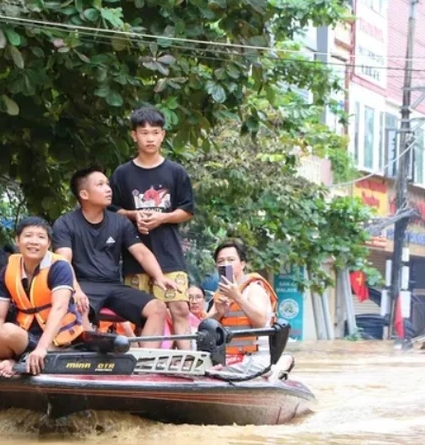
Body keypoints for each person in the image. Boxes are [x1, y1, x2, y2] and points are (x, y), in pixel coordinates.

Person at [53, 166, 175, 347]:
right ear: (84, 194)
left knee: (157, 308)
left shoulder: (120, 222)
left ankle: (145, 364)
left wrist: (158, 276)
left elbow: (141, 252)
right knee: (79, 305)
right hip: (83, 285)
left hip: (113, 285)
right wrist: (76, 290)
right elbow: (63, 261)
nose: (108, 189)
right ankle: (85, 360)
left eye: (107, 184)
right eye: (100, 184)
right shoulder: (65, 223)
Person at [111, 106, 195, 349]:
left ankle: (186, 362)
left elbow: (187, 210)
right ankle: (147, 367)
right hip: (134, 254)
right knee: (142, 312)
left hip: (169, 253)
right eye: (144, 132)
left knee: (179, 308)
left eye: (155, 132)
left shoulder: (176, 172)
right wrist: (133, 214)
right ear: (134, 135)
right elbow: (111, 209)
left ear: (163, 135)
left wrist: (162, 218)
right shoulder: (122, 173)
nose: (150, 138)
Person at [0, 216, 84, 385]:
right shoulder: (9, 270)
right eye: (28, 236)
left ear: (48, 243)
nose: (34, 241)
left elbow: (59, 308)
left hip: (55, 341)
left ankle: (18, 362)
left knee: (6, 331)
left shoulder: (60, 267)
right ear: (17, 241)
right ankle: (7, 365)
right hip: (24, 338)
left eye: (41, 237)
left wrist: (41, 349)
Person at [206, 240, 294, 380]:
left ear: (242, 264)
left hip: (254, 358)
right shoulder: (220, 293)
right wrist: (219, 312)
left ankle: (275, 369)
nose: (225, 264)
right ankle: (280, 365)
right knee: (204, 366)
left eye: (231, 260)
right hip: (228, 357)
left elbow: (260, 321)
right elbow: (205, 327)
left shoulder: (254, 289)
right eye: (220, 261)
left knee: (209, 370)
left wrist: (237, 297)